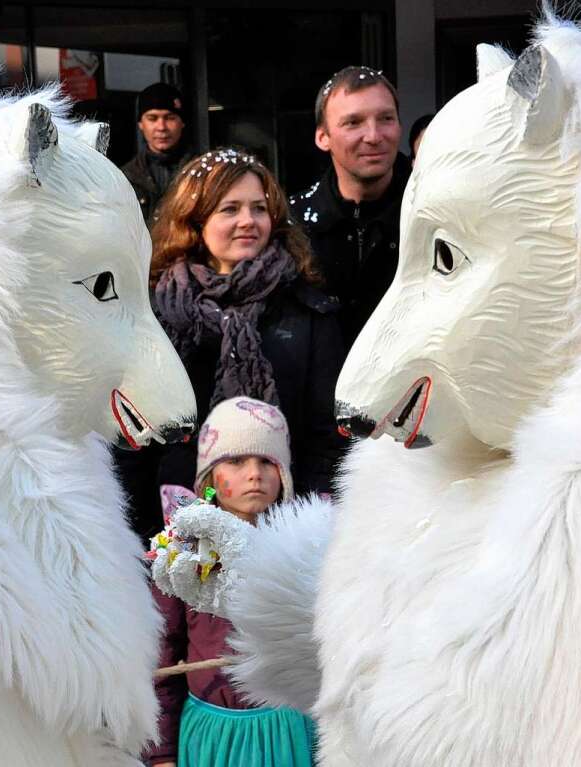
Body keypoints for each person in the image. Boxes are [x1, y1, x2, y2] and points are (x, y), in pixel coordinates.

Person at [117, 147, 344, 544]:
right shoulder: (157, 315)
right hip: (177, 535)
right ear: (196, 219)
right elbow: (136, 439)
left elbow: (326, 435)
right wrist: (154, 536)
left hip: (286, 536)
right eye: (230, 209)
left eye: (259, 208)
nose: (248, 221)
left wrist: (302, 526)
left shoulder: (308, 312)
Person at [144, 396, 316, 767]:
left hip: (287, 731)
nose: (254, 474)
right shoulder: (183, 557)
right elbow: (160, 651)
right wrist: (162, 754)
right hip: (211, 738)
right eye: (236, 462)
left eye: (266, 462)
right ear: (209, 477)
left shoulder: (303, 549)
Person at [289, 66, 411, 346]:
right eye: (353, 122)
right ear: (323, 137)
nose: (373, 135)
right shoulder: (292, 226)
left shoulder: (433, 213)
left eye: (386, 119)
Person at [121, 82, 192, 223]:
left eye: (170, 118)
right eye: (152, 118)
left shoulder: (202, 172)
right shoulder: (126, 177)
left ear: (182, 122)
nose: (161, 127)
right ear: (140, 124)